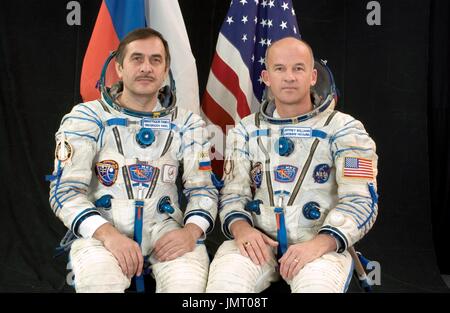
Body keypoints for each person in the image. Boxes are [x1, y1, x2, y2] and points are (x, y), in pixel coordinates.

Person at [48, 28, 217, 293]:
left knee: (187, 285)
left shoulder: (187, 124)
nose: (146, 67)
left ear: (165, 70)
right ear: (119, 68)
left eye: (155, 60)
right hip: (103, 229)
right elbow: (64, 191)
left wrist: (190, 232)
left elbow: (203, 190)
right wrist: (107, 234)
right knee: (99, 282)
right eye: (137, 59)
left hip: (165, 228)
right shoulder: (87, 118)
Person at [206, 37, 378, 293]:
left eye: (298, 68)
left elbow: (361, 200)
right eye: (280, 68)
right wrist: (242, 230)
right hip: (259, 240)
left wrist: (322, 242)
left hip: (320, 243)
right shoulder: (245, 129)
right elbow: (233, 194)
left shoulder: (345, 129)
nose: (289, 77)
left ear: (312, 76)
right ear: (266, 77)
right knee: (223, 289)